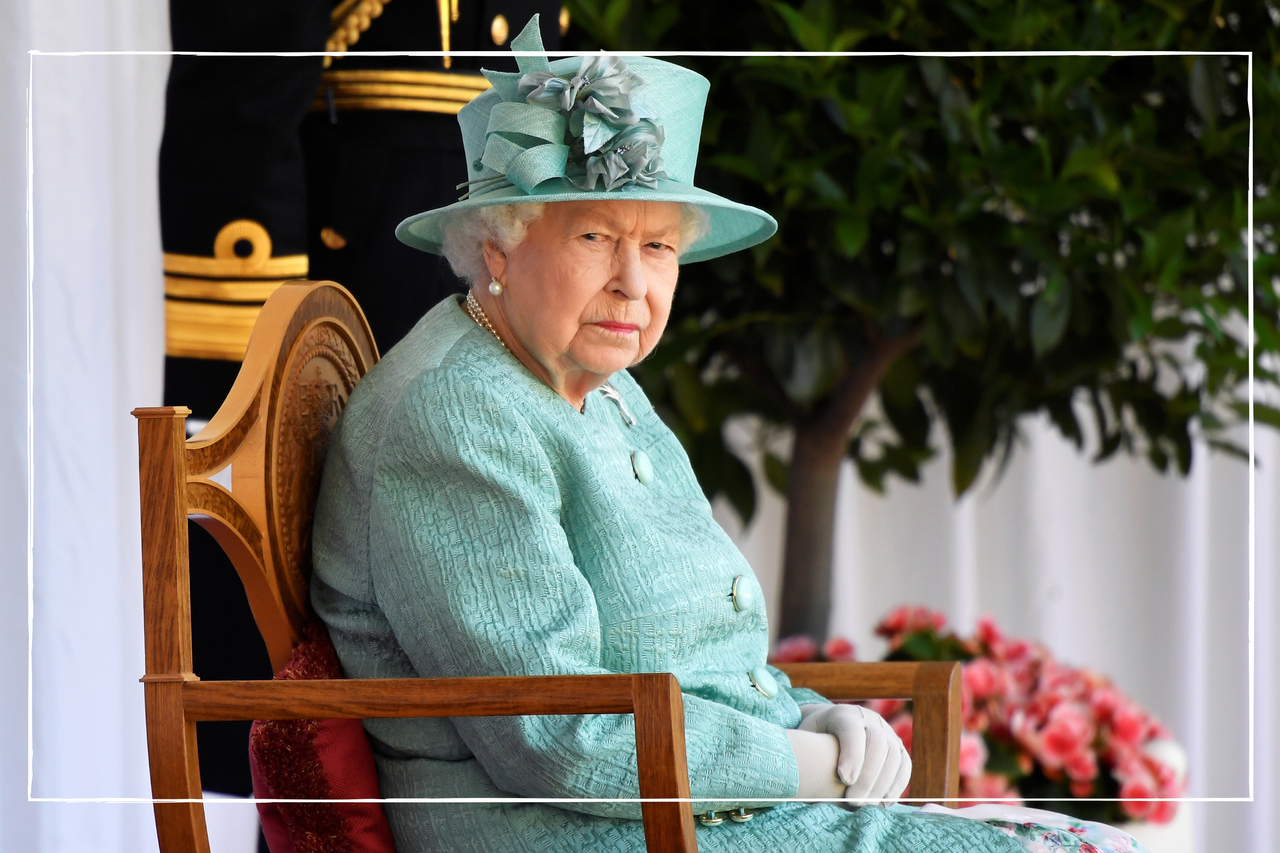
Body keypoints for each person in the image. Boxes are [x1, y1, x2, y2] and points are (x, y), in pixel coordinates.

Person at [310, 16, 1150, 853]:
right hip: (575, 830)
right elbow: (561, 741)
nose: (633, 282)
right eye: (596, 236)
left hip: (693, 809)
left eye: (660, 246)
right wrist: (806, 761)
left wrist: (816, 714)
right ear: (499, 245)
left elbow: (695, 646)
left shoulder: (598, 384)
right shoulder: (455, 412)